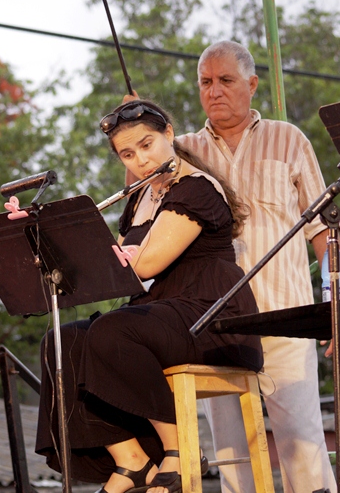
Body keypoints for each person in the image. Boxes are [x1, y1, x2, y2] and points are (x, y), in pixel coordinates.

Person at [35, 99, 263, 493]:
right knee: (62, 341)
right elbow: (113, 273)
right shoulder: (141, 199)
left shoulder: (197, 189)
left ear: (168, 134)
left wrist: (98, 248)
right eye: (128, 154)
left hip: (210, 314)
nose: (141, 160)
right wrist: (40, 245)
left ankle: (179, 448)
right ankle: (131, 461)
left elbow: (146, 264)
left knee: (112, 331)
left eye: (147, 145)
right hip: (162, 311)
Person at [175, 40, 337, 493]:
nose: (214, 91)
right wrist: (139, 128)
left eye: (225, 80)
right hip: (216, 323)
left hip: (287, 320)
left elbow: (323, 230)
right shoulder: (181, 151)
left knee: (304, 446)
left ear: (252, 84)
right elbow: (143, 208)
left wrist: (335, 300)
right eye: (205, 82)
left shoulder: (289, 139)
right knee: (233, 455)